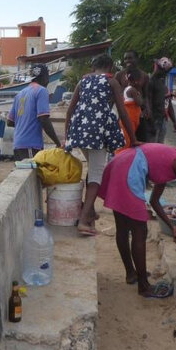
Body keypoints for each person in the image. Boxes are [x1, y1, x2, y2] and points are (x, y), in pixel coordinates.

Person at [98, 143, 176, 297]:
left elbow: (154, 201)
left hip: (120, 163)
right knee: (140, 231)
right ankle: (143, 285)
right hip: (130, 170)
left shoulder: (171, 159)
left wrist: (171, 226)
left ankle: (132, 273)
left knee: (122, 227)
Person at [65, 54, 136, 236]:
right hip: (97, 133)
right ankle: (83, 220)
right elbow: (122, 111)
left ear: (92, 67)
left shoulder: (82, 82)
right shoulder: (112, 83)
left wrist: (67, 137)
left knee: (94, 168)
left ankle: (89, 211)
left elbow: (70, 110)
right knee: (97, 173)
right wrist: (133, 139)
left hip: (80, 132)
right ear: (110, 67)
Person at [7, 64, 61, 160]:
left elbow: (10, 122)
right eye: (48, 76)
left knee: (24, 174)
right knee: (34, 173)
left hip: (17, 145)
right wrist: (58, 143)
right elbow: (44, 119)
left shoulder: (20, 94)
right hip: (31, 145)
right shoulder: (42, 91)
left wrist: (25, 123)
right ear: (44, 77)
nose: (48, 80)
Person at [116, 69, 145, 151]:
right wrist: (140, 92)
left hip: (130, 117)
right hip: (130, 118)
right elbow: (140, 103)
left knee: (126, 136)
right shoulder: (132, 90)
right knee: (127, 138)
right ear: (137, 81)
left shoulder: (126, 89)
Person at [147, 57, 174, 143]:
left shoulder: (161, 81)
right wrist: (151, 123)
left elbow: (160, 99)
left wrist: (169, 96)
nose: (166, 74)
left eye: (167, 72)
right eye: (165, 71)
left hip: (161, 119)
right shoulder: (150, 82)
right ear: (157, 67)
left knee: (160, 146)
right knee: (152, 147)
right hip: (153, 120)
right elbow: (148, 102)